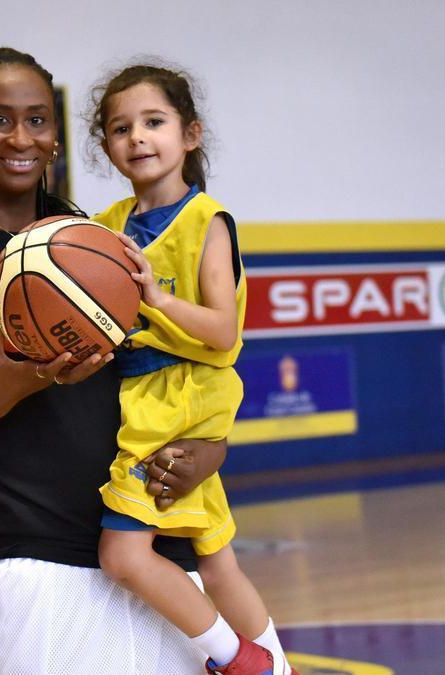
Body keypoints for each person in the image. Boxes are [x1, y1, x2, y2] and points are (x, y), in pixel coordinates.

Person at [0, 47, 228, 674]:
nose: (22, 138)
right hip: (43, 568)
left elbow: (179, 372)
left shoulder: (97, 239)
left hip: (156, 547)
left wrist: (209, 450)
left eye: (37, 119)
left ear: (56, 134)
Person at [87, 63, 297, 675]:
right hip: (144, 388)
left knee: (123, 556)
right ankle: (278, 666)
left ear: (191, 134)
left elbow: (223, 330)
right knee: (217, 558)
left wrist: (155, 298)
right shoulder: (104, 227)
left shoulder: (207, 221)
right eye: (121, 128)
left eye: (154, 122)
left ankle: (235, 658)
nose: (138, 137)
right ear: (107, 147)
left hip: (179, 392)